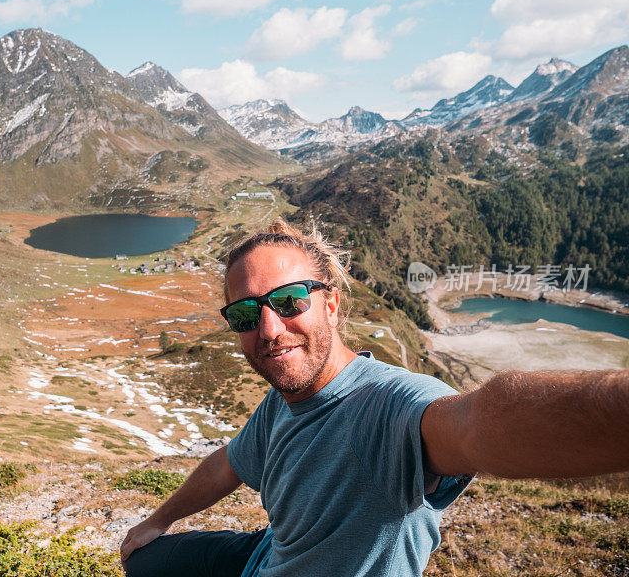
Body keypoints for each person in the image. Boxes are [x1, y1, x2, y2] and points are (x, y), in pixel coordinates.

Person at [120, 218, 629, 577]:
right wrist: (157, 521)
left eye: (289, 300)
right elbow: (227, 465)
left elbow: (478, 422)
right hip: (270, 554)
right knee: (139, 559)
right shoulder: (282, 402)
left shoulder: (388, 408)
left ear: (332, 304)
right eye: (246, 315)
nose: (270, 329)